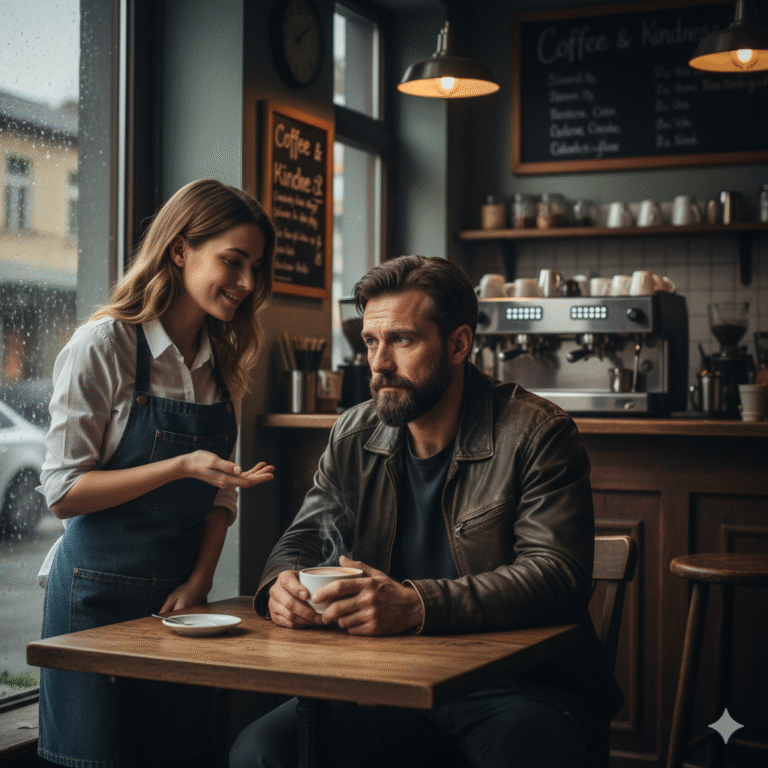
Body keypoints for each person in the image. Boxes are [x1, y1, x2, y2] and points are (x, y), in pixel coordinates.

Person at [230, 255, 623, 768]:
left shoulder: (536, 432)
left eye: (401, 340)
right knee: (260, 752)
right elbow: (301, 540)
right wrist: (278, 586)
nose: (378, 363)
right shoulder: (353, 434)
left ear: (459, 344)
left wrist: (417, 606)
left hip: (517, 689)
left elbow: (557, 577)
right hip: (390, 685)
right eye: (371, 341)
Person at [38, 179, 277, 768]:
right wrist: (180, 465)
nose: (247, 283)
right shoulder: (102, 345)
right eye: (233, 261)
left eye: (255, 268)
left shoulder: (225, 366)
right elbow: (63, 492)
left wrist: (199, 581)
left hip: (181, 608)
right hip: (91, 606)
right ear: (179, 250)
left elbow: (221, 499)